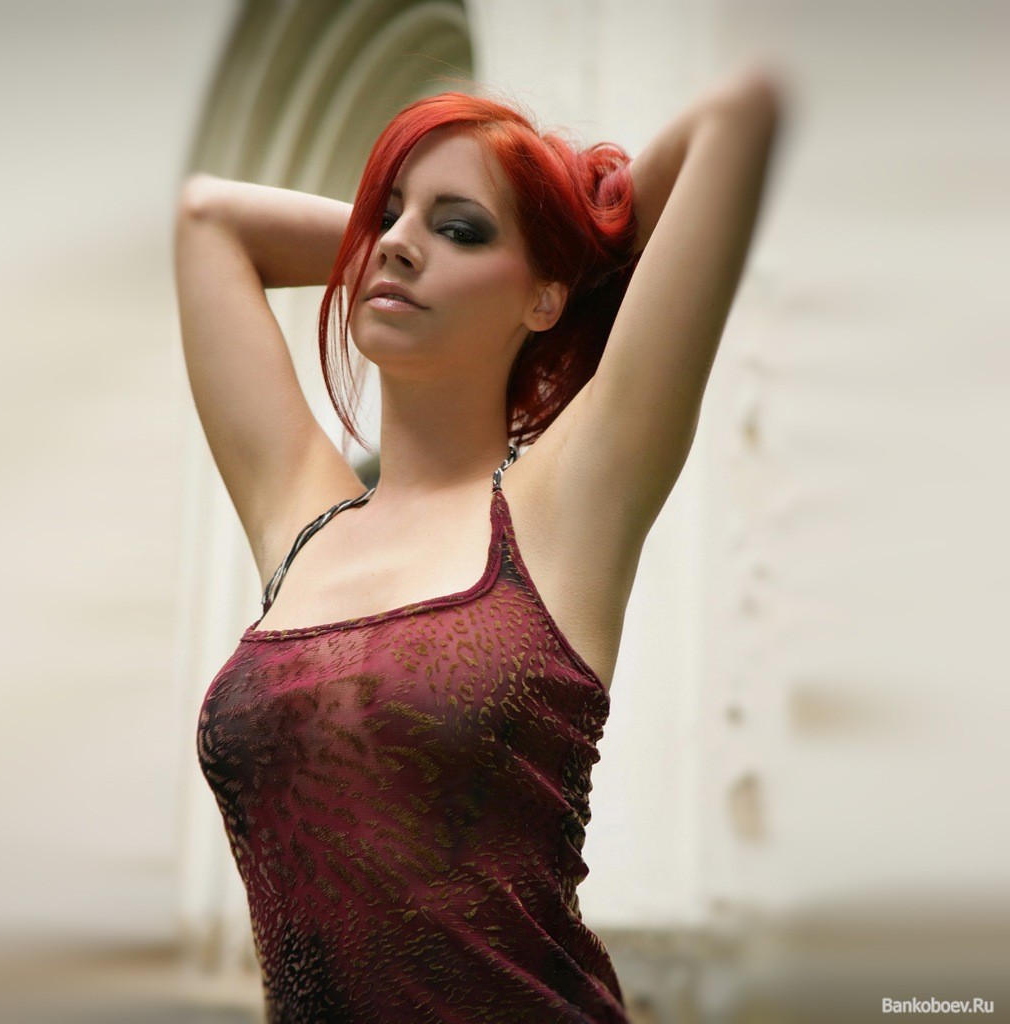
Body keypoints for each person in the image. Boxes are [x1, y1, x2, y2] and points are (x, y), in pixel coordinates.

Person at [179, 64, 782, 1023]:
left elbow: (741, 114)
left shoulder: (568, 502)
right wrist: (412, 244)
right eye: (388, 217)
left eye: (460, 228)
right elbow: (208, 219)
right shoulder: (302, 521)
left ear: (544, 298)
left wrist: (575, 230)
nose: (398, 245)